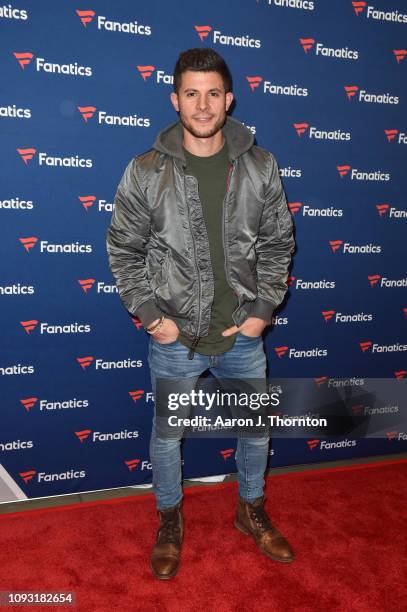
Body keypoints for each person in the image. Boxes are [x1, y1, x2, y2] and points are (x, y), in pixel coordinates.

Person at [107, 47, 296, 579]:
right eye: (192, 93)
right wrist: (151, 315)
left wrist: (262, 310)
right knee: (168, 436)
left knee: (255, 430)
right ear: (176, 100)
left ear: (228, 98)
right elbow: (124, 250)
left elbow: (279, 242)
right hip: (175, 335)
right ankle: (169, 520)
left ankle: (250, 510)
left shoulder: (260, 166)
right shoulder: (145, 171)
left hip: (242, 332)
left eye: (213, 93)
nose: (204, 104)